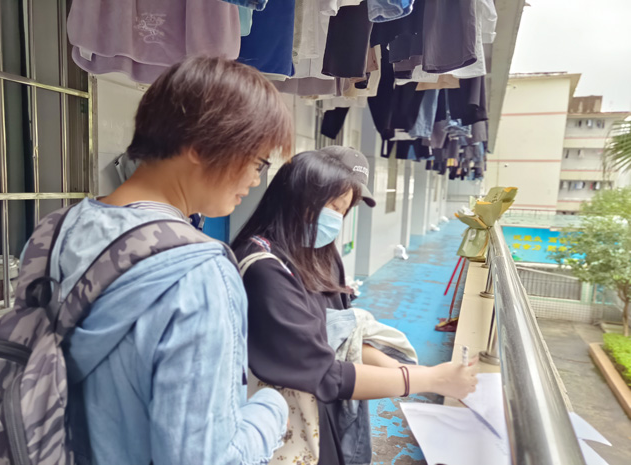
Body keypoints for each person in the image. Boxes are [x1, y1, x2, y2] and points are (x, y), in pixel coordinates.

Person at [54, 57, 293, 464]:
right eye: (257, 162)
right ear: (200, 146)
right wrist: (271, 409)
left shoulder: (59, 229)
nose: (256, 180)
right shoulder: (200, 274)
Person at [232, 146, 478, 465]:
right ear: (298, 197)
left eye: (344, 209)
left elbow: (341, 334)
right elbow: (323, 374)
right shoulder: (264, 269)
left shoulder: (320, 254)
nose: (337, 218)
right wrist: (430, 380)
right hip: (281, 422)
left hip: (324, 413)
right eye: (333, 206)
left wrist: (417, 372)